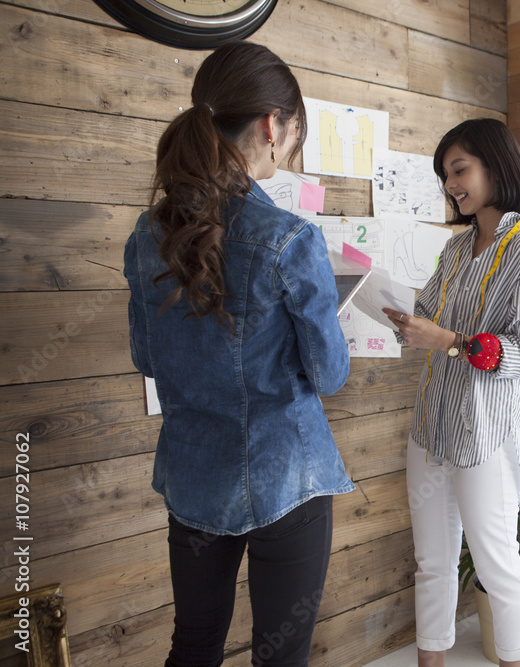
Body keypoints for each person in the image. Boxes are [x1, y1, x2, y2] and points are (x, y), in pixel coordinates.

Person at [124, 42, 352, 666]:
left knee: (194, 645)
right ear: (272, 127)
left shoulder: (147, 237)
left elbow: (148, 358)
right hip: (288, 479)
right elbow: (329, 374)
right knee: (280, 657)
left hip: (195, 478)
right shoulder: (290, 238)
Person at [383, 118, 520, 667]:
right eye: (445, 175)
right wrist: (397, 312)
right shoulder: (458, 250)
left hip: (487, 435)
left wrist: (452, 341)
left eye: (459, 169)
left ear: (495, 166)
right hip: (432, 425)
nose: (451, 184)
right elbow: (429, 313)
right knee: (431, 562)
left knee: (496, 563)